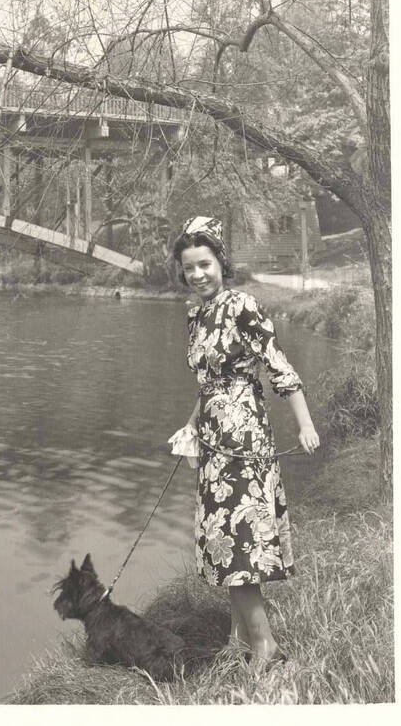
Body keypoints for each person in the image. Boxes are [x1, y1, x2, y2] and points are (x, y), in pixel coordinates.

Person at [168, 215, 320, 667]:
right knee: (225, 539)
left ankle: (266, 647)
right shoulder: (196, 316)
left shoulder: (242, 306)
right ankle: (239, 637)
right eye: (189, 267)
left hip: (245, 437)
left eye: (205, 264)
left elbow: (279, 367)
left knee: (237, 544)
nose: (197, 274)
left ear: (221, 262)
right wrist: (191, 426)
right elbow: (208, 383)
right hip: (214, 440)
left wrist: (305, 425)